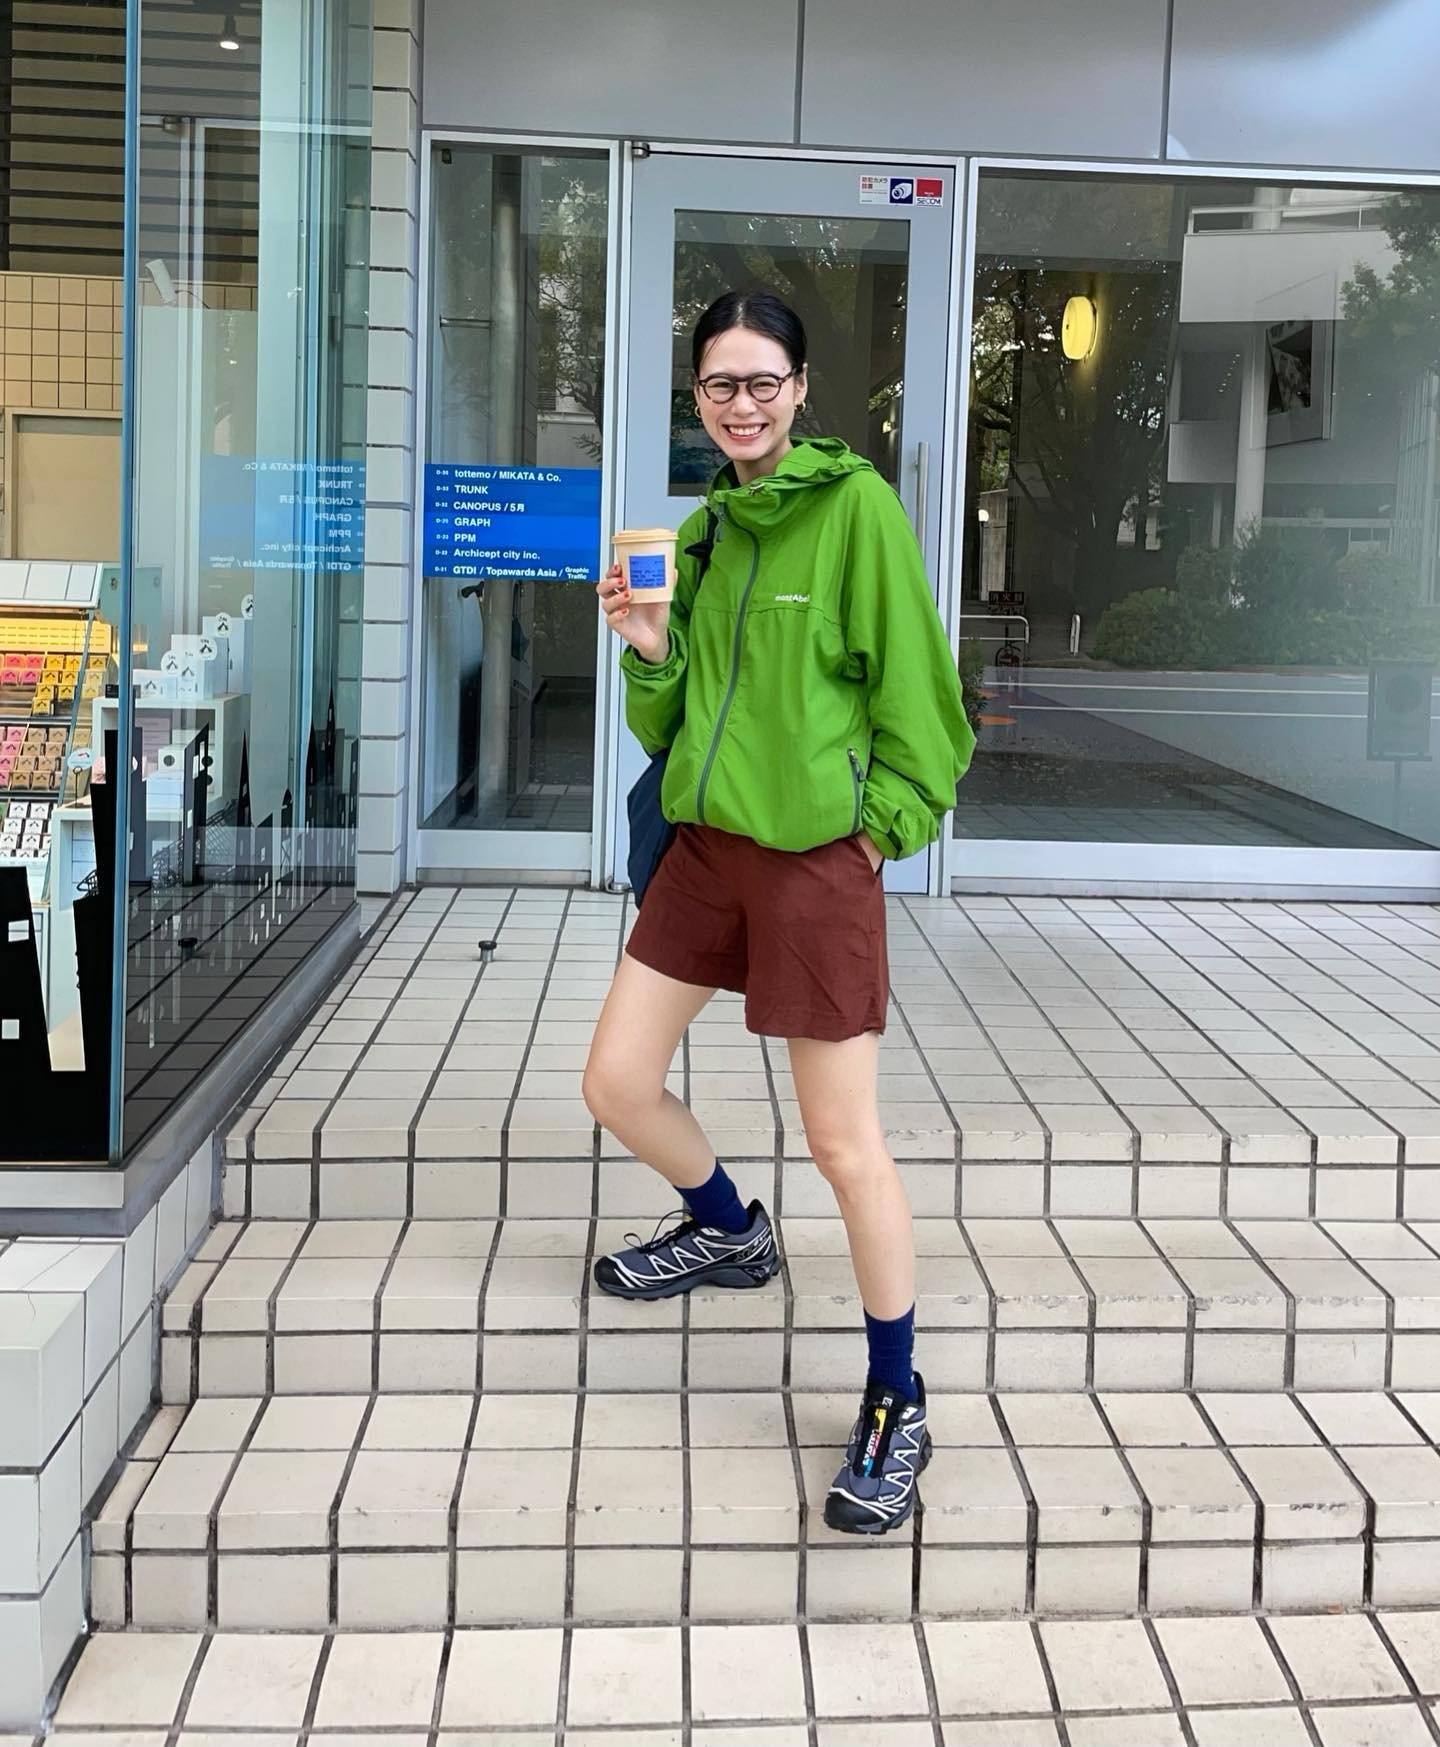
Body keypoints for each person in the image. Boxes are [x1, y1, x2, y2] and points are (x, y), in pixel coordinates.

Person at [583, 289, 974, 1535]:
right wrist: (647, 648)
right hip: (705, 848)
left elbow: (928, 706)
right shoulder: (703, 535)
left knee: (845, 1144)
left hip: (814, 863)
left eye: (762, 382)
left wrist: (876, 832)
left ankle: (895, 1397)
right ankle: (728, 1233)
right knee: (617, 1081)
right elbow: (671, 720)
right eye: (718, 386)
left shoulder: (854, 512)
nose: (740, 405)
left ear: (802, 390)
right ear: (696, 400)